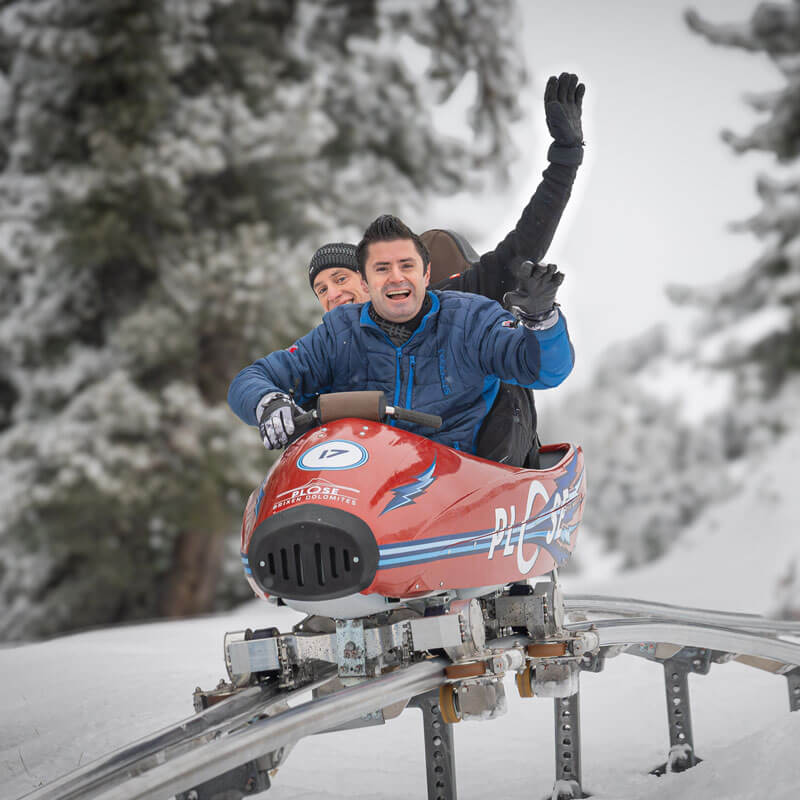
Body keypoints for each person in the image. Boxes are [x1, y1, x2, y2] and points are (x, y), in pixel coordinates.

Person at [306, 73, 585, 464]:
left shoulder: (456, 307)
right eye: (321, 290)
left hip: (480, 466)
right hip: (379, 478)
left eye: (341, 279)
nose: (333, 294)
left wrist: (565, 157)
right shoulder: (334, 346)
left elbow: (526, 241)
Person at [228, 215, 574, 457]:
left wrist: (540, 319)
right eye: (382, 269)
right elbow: (253, 377)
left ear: (426, 274)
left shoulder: (469, 319)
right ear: (365, 282)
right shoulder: (339, 334)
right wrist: (268, 402)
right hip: (365, 487)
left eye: (406, 266)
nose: (396, 278)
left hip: (458, 486)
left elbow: (544, 370)